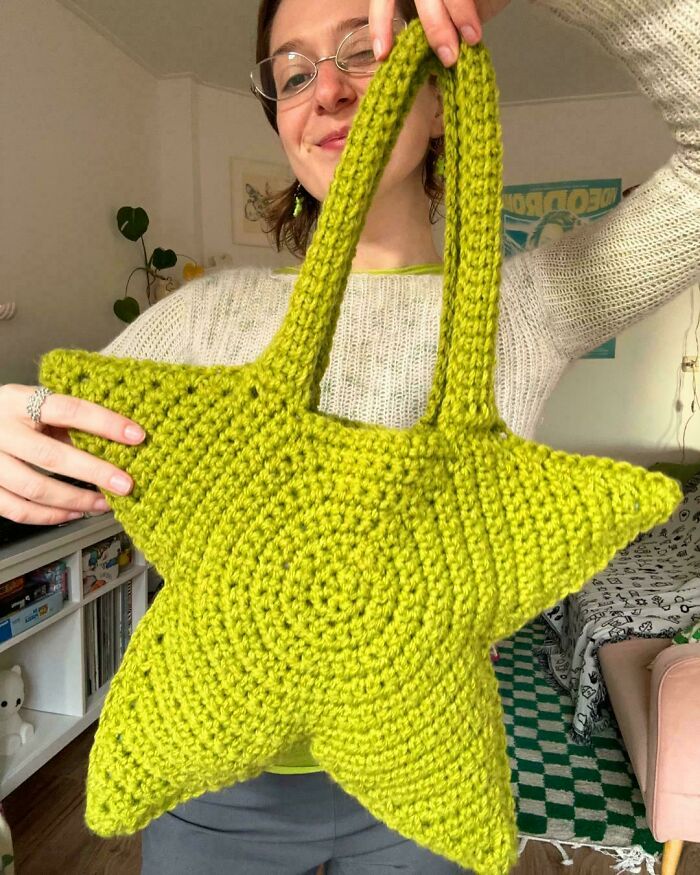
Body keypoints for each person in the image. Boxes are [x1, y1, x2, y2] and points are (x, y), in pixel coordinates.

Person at [0, 0, 698, 871]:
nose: (326, 89)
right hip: (216, 786)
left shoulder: (536, 306)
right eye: (293, 74)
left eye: (365, 52)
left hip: (426, 776)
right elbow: (59, 425)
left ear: (440, 88)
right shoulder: (208, 319)